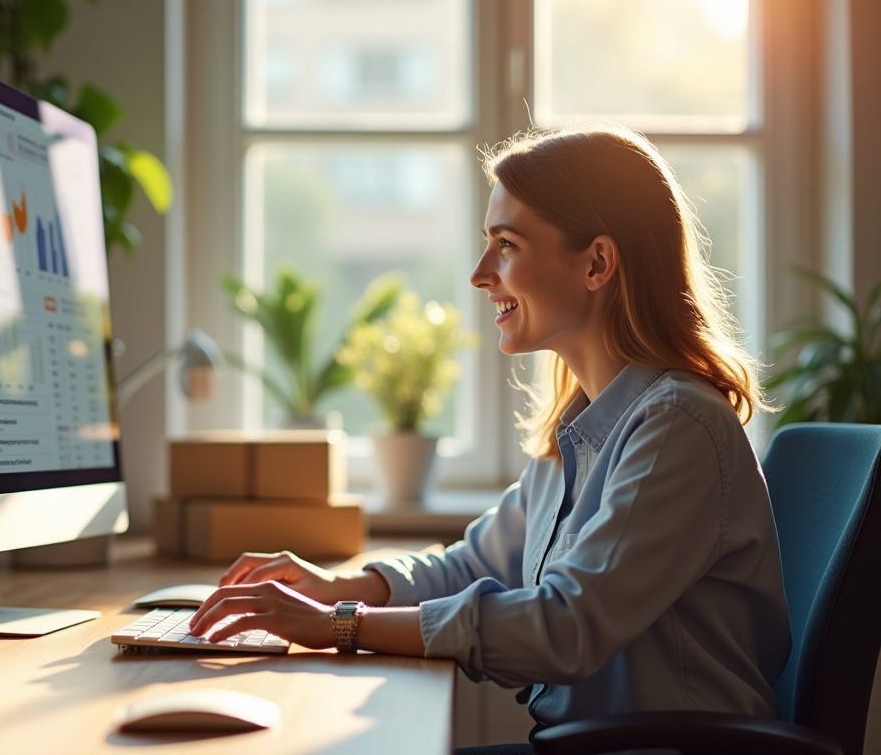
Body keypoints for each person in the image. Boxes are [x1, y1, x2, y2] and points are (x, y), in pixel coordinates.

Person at [188, 124, 791, 749]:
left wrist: (342, 624)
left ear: (596, 263)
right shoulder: (580, 426)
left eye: (506, 245)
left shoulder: (677, 427)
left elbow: (566, 626)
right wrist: (338, 588)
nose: (480, 274)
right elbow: (476, 563)